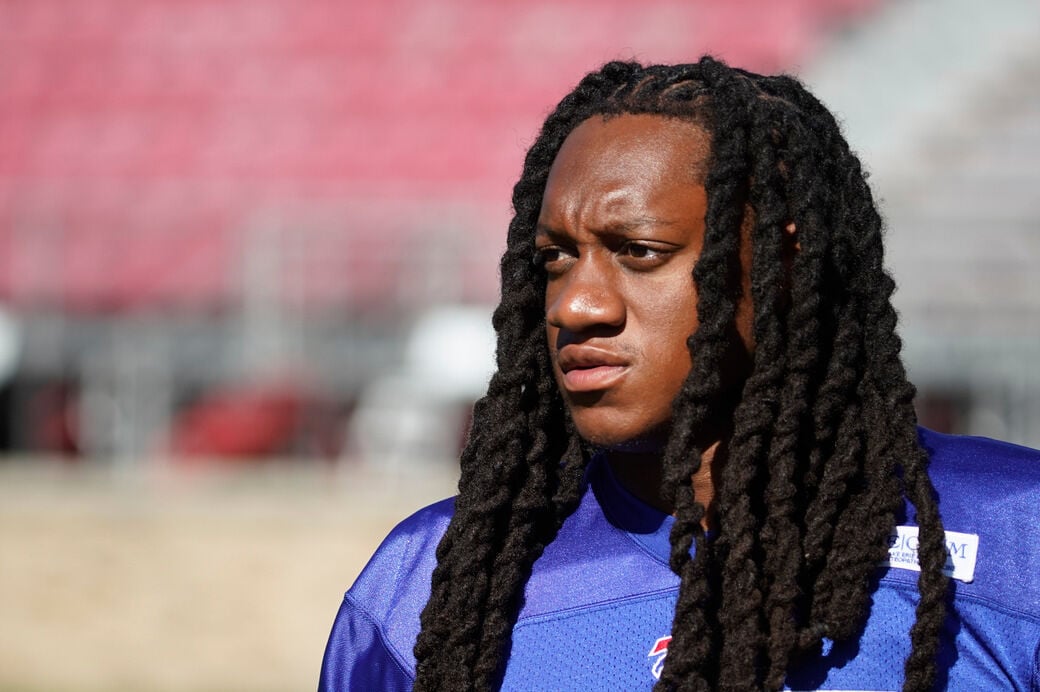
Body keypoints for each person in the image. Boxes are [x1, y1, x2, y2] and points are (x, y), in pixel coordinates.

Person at [319, 57, 1040, 691]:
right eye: (556, 258)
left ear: (784, 266)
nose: (577, 305)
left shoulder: (1018, 539)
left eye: (638, 251)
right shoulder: (428, 588)